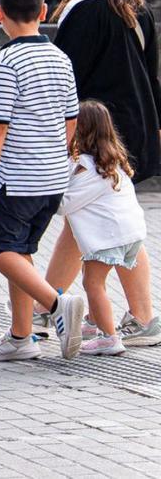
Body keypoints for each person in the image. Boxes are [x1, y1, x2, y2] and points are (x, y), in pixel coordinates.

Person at [41, 0, 161, 346]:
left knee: (91, 218)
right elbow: (152, 74)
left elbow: (65, 81)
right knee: (99, 221)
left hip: (95, 134)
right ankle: (47, 305)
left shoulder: (82, 10)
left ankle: (47, 307)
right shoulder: (135, 4)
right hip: (135, 128)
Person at [0, 0, 84, 362]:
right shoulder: (60, 58)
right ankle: (21, 337)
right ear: (42, 12)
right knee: (20, 253)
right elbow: (72, 120)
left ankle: (57, 305)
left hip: (17, 178)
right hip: (53, 177)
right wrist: (63, 162)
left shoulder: (5, 61)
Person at [56, 100, 148, 356]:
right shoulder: (113, 160)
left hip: (110, 238)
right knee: (91, 271)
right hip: (131, 234)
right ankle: (94, 322)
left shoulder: (88, 167)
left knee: (92, 283)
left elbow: (65, 205)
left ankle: (110, 338)